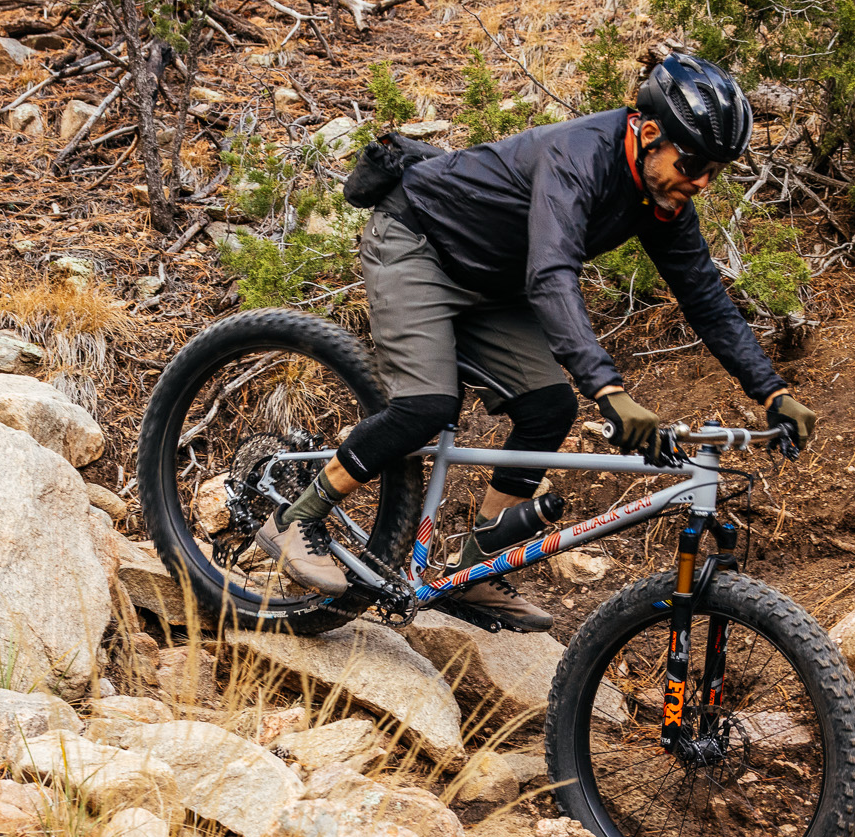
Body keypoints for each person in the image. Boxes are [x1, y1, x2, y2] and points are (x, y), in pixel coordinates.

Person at [254, 53, 818, 631]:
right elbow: (551, 276)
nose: (699, 181)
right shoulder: (579, 156)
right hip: (418, 242)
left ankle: (475, 571)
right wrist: (609, 388)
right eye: (693, 162)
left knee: (548, 406)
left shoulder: (664, 199)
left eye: (714, 172)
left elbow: (707, 301)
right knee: (426, 407)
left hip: (491, 282)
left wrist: (772, 392)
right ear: (650, 134)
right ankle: (297, 517)